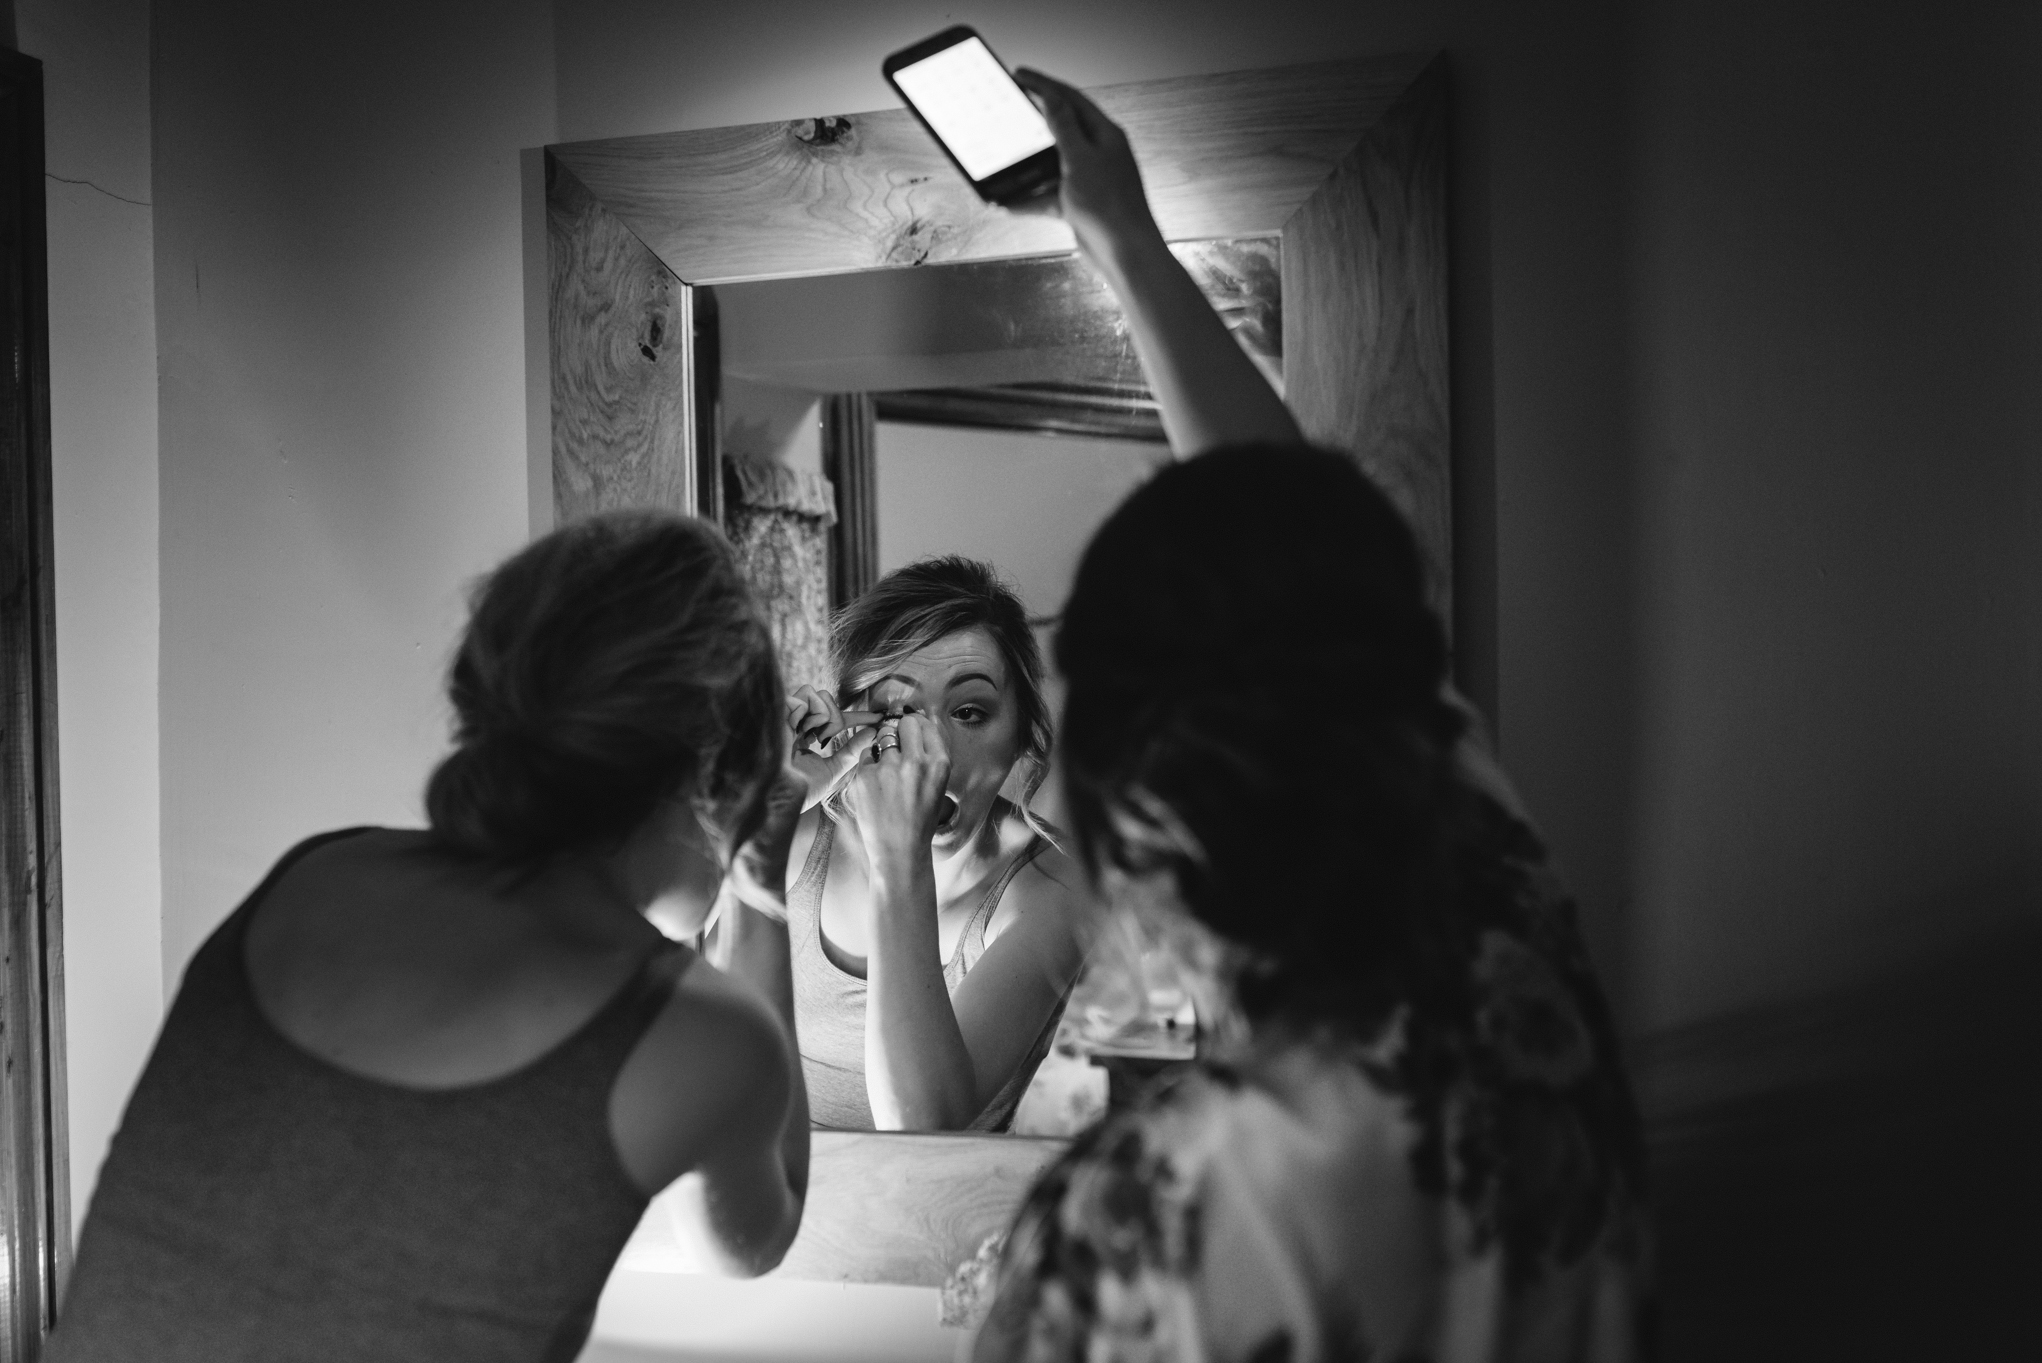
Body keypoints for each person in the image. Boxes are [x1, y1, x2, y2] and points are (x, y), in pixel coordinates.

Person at [958, 72, 1650, 1361]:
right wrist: (1125, 244)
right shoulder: (1502, 942)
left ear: (1114, 819)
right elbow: (1306, 579)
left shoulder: (1137, 1221)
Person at [48, 511, 810, 1363]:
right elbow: (752, 1243)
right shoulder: (700, 1033)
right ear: (721, 766)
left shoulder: (315, 876)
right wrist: (764, 900)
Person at [719, 556, 1088, 1131]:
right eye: (897, 710)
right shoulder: (798, 836)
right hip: (783, 1199)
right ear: (852, 723)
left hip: (937, 1214)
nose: (932, 747)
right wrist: (767, 805)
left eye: (969, 712)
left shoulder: (1055, 887)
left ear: (1020, 737)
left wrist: (899, 856)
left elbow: (922, 1125)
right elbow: (728, 1080)